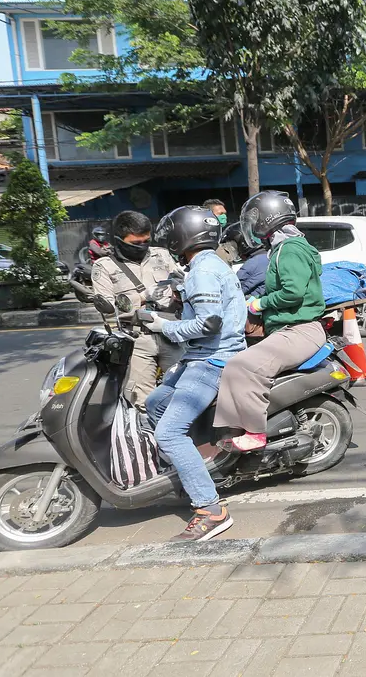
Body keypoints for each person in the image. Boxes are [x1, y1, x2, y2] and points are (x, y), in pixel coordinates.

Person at [140, 205, 247, 541]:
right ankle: (187, 468)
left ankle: (211, 510)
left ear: (183, 235)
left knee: (168, 433)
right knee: (155, 402)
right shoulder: (205, 264)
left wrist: (163, 326)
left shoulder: (203, 270)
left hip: (212, 360)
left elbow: (209, 323)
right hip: (199, 356)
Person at [213, 191, 327, 452]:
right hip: (291, 328)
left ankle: (255, 431)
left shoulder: (289, 249)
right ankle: (238, 427)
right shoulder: (286, 246)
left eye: (256, 218)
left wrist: (259, 304)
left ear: (268, 218)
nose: (253, 225)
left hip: (299, 330)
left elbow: (293, 292)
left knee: (242, 366)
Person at [91, 211, 183, 412]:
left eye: (146, 241)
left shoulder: (162, 255)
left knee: (184, 392)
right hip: (136, 339)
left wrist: (179, 290)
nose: (142, 246)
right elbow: (108, 308)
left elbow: (184, 284)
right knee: (143, 401)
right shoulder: (104, 267)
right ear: (119, 240)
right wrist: (142, 297)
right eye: (136, 242)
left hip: (171, 332)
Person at [223, 222, 269, 296]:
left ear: (243, 244)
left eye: (232, 246)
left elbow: (230, 292)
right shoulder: (270, 256)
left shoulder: (251, 265)